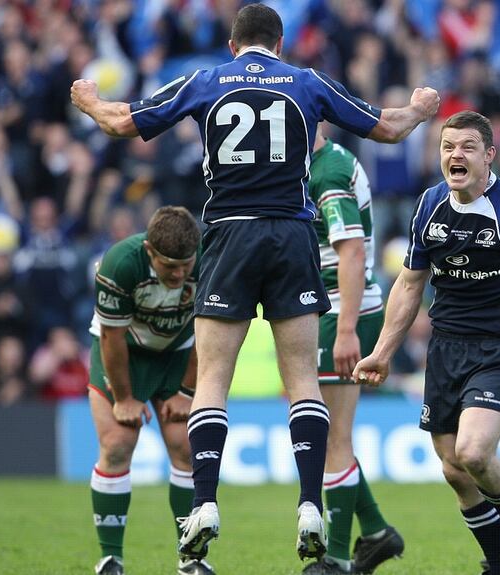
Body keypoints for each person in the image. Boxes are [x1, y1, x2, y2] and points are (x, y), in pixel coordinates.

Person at [71, 3, 440, 568]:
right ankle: (311, 504)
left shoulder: (206, 80)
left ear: (233, 44)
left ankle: (204, 503)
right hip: (293, 236)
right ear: (281, 43)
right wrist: (419, 108)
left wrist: (89, 101)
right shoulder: (307, 82)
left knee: (213, 378)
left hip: (229, 235)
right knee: (302, 380)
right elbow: (388, 127)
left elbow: (123, 123)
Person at [352, 110, 500, 575]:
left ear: (489, 155)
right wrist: (382, 353)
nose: (456, 155)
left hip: (499, 347)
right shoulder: (430, 204)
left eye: (468, 147)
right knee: (454, 469)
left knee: (473, 453)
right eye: (448, 146)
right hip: (445, 349)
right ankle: (498, 563)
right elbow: (410, 284)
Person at [302, 126, 403, 575]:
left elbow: (353, 253)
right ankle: (377, 532)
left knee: (332, 438)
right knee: (327, 436)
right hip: (328, 306)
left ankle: (338, 559)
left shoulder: (328, 171)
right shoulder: (321, 163)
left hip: (341, 308)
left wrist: (345, 329)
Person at [87, 206, 206, 575]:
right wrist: (124, 398)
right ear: (149, 251)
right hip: (125, 352)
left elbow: (212, 327)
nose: (179, 274)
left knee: (186, 447)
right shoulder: (121, 262)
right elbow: (112, 336)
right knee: (117, 444)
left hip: (180, 353)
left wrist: (187, 391)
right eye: (169, 265)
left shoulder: (210, 258)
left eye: (185, 265)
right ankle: (111, 559)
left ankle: (191, 560)